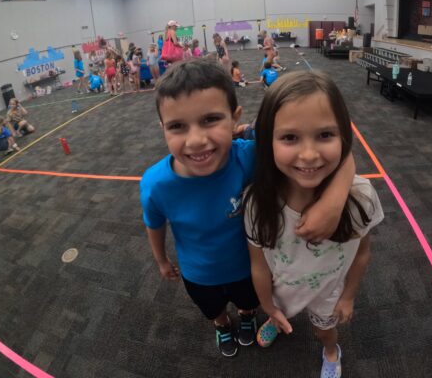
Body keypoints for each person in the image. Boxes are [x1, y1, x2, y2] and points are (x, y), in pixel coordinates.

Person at [140, 59, 355, 359]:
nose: (197, 140)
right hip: (198, 274)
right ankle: (222, 325)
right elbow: (154, 224)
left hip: (248, 268)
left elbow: (341, 151)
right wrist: (162, 261)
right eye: (177, 126)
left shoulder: (250, 156)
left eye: (211, 119)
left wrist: (333, 202)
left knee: (247, 301)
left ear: (234, 117)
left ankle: (246, 317)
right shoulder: (155, 184)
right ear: (162, 127)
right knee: (213, 309)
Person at [244, 71, 384, 378]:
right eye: (290, 137)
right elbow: (259, 265)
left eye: (324, 135)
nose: (309, 155)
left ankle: (332, 354)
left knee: (325, 333)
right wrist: (267, 306)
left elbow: (361, 254)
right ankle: (277, 318)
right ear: (267, 141)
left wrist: (348, 296)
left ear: (343, 137)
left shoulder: (360, 198)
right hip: (282, 286)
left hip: (328, 292)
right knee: (282, 310)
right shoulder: (259, 202)